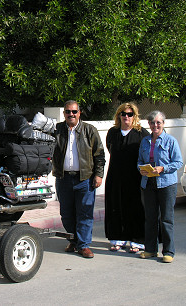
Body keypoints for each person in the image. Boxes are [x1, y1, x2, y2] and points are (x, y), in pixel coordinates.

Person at [52, 100, 105, 258]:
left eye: (74, 112)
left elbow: (99, 155)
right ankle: (74, 240)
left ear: (79, 113)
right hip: (64, 179)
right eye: (68, 112)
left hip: (85, 179)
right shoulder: (58, 129)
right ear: (64, 114)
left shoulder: (89, 130)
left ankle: (84, 245)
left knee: (84, 213)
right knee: (66, 213)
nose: (71, 115)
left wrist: (98, 174)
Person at [138, 110, 183, 263]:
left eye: (158, 122)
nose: (155, 125)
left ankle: (169, 251)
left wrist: (162, 168)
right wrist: (142, 169)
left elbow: (178, 162)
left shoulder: (171, 141)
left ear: (163, 124)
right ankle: (150, 249)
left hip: (166, 184)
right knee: (150, 218)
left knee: (166, 219)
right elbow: (139, 161)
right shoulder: (145, 141)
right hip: (148, 183)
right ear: (149, 124)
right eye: (152, 122)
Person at [104, 103, 149, 253]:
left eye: (130, 114)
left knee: (136, 208)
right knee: (116, 207)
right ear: (119, 116)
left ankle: (137, 241)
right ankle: (118, 239)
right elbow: (110, 150)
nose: (126, 117)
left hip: (135, 178)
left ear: (134, 116)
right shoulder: (113, 132)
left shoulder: (141, 133)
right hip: (115, 177)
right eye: (123, 114)